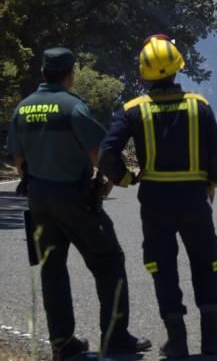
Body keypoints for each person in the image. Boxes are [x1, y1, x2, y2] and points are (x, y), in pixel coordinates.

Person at [7, 47, 151, 361]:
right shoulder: (73, 107)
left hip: (38, 198)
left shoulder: (23, 108)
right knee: (108, 260)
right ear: (70, 74)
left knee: (52, 269)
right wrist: (114, 179)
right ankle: (115, 338)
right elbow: (99, 153)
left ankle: (62, 343)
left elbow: (19, 162)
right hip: (73, 196)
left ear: (44, 72)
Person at [98, 34, 217, 359]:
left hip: (156, 201)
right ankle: (212, 337)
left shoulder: (132, 111)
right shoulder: (198, 106)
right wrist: (210, 183)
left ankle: (177, 341)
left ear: (144, 73)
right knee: (206, 262)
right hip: (194, 199)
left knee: (162, 265)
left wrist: (127, 178)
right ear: (177, 68)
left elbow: (107, 156)